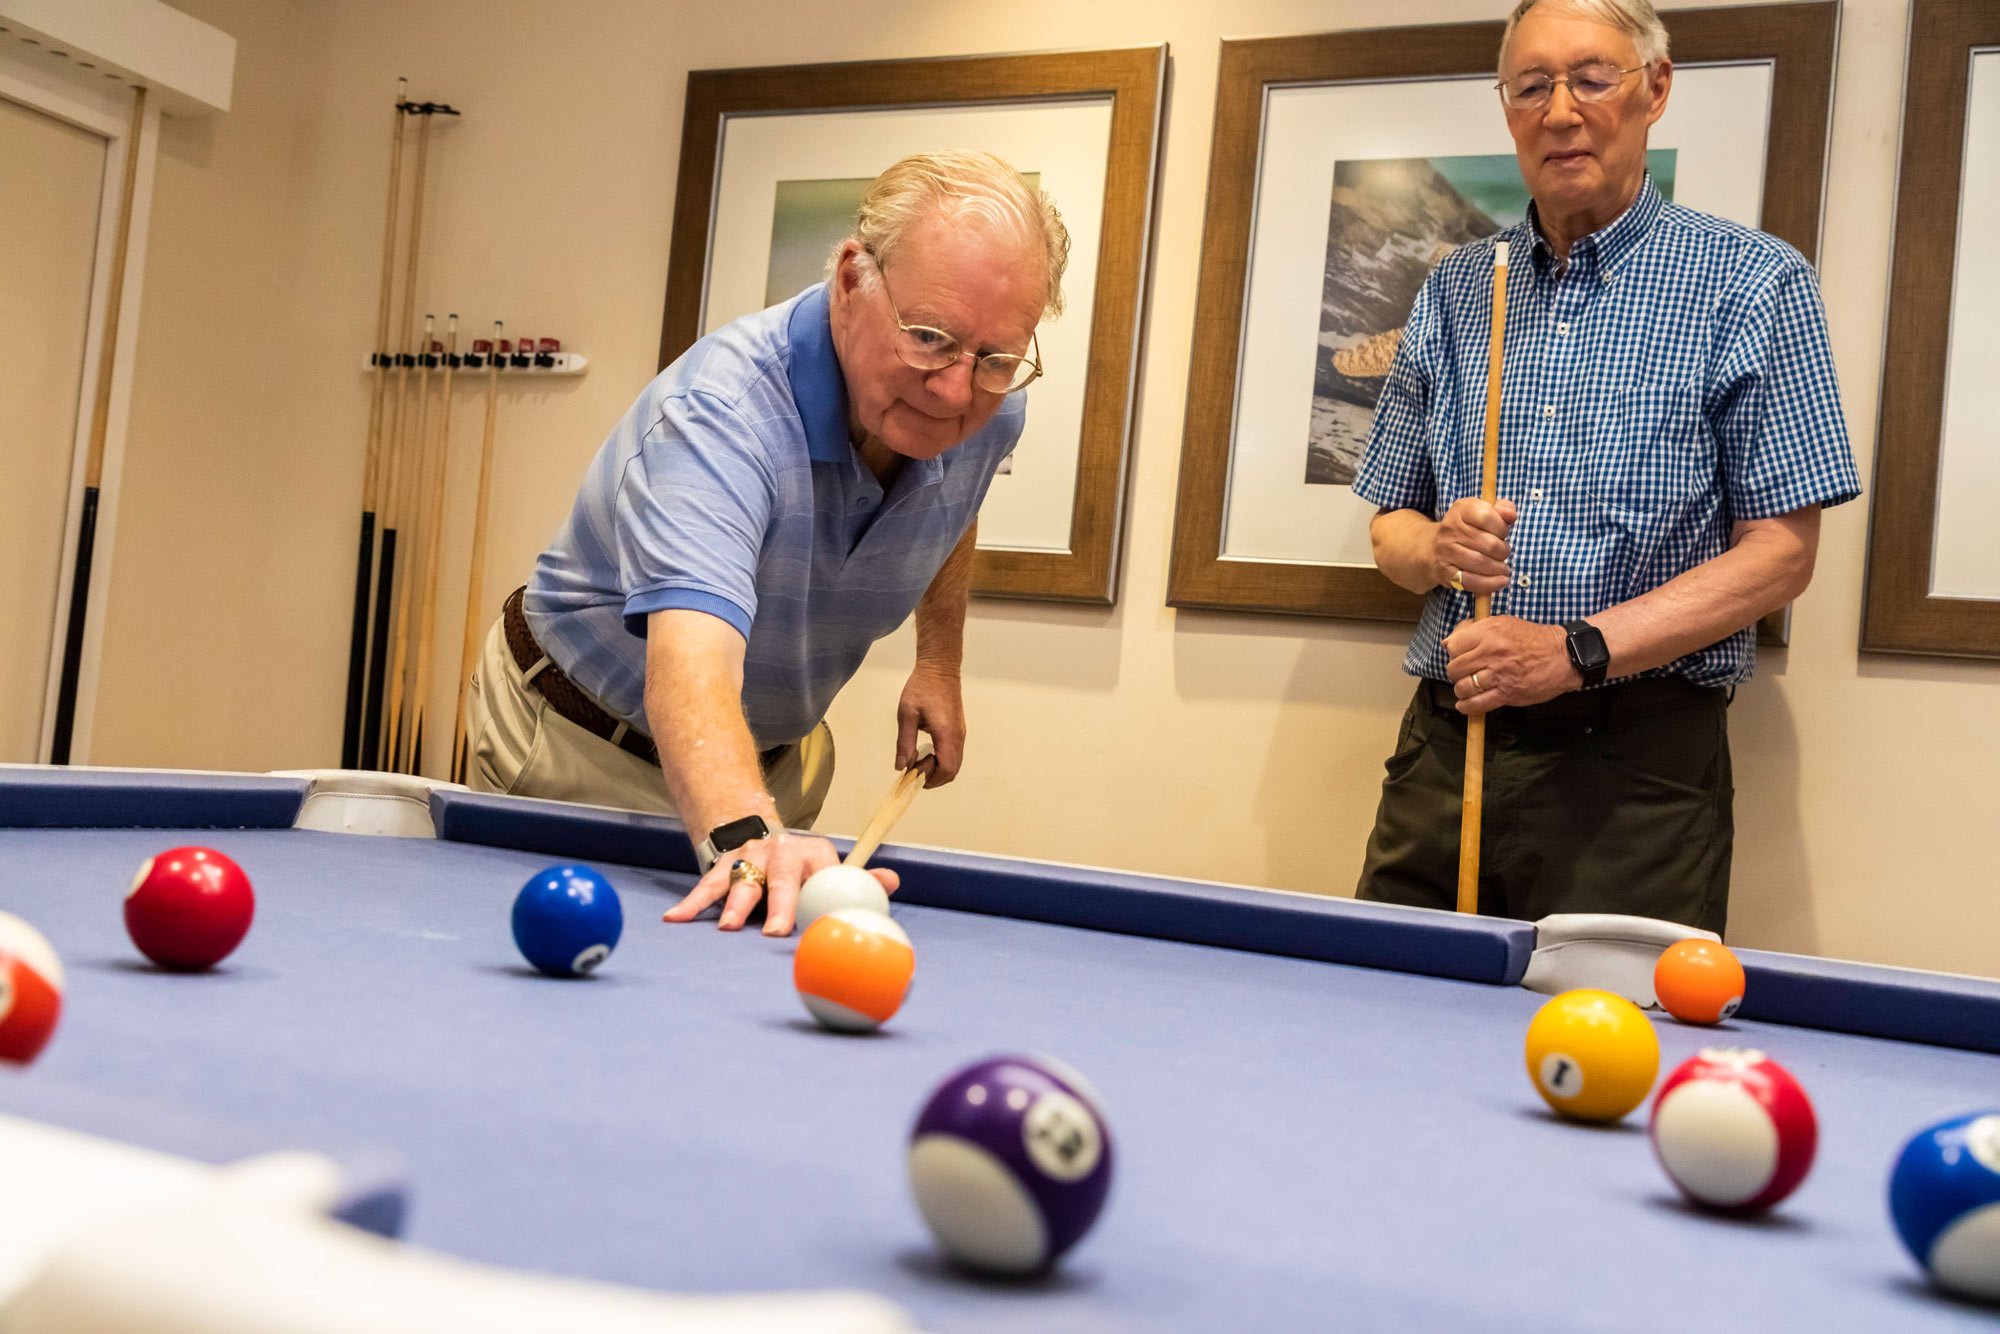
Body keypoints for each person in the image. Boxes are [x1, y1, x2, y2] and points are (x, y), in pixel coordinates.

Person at [1350, 0, 1859, 933]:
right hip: (1447, 744)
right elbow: (1390, 528)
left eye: (1591, 78)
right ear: (1507, 109)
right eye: (1531, 86)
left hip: (1637, 767)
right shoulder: (1462, 287)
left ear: (1654, 89)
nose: (1560, 111)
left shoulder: (1751, 282)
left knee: (1610, 1051)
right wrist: (1439, 551)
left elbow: (1782, 554)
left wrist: (1572, 651)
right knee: (1384, 1022)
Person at [466, 151, 1068, 936]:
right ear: (853, 280)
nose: (956, 389)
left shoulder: (985, 406)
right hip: (582, 748)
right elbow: (692, 663)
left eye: (992, 358)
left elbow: (953, 495)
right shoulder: (720, 412)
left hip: (766, 761)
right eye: (928, 338)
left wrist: (938, 662)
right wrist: (749, 836)